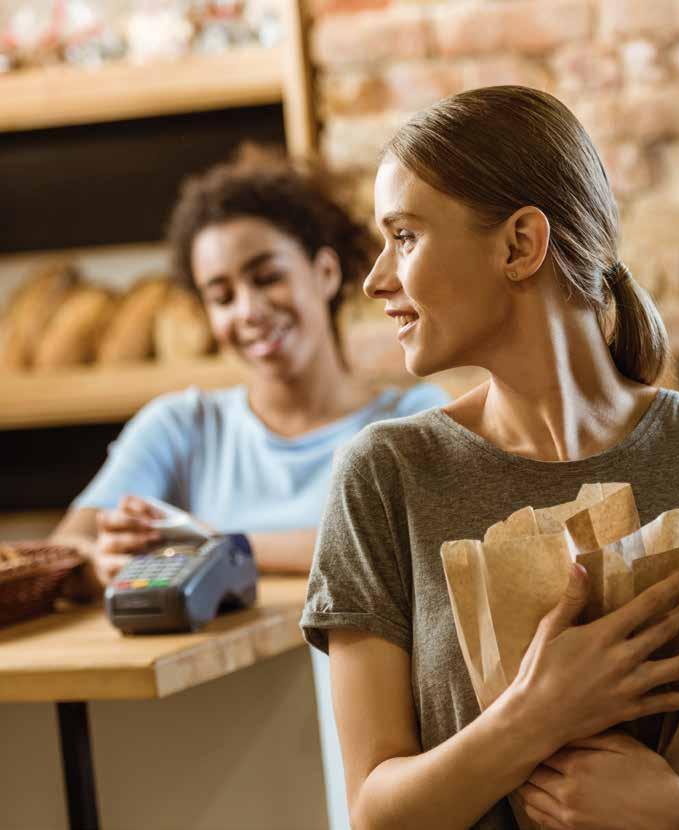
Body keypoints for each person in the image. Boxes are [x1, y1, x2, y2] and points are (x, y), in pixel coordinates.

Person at [301, 86, 679, 830]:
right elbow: (375, 813)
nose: (376, 279)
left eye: (406, 236)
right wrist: (534, 715)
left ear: (519, 244)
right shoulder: (386, 474)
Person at [53, 147, 450, 829]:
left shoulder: (414, 420)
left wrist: (209, 545)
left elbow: (394, 548)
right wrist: (108, 564)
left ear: (325, 271)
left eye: (266, 277)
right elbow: (69, 549)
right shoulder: (182, 425)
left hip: (382, 760)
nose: (248, 311)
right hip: (211, 762)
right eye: (221, 295)